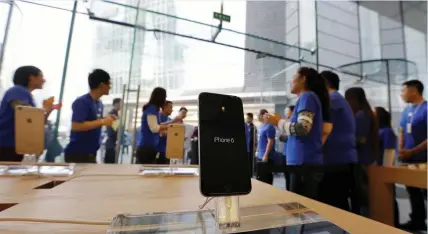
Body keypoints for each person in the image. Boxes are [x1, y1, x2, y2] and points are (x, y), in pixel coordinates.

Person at [267, 67, 330, 200]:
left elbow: (302, 128)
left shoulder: (307, 97)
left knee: (301, 211)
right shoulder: (307, 98)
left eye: (293, 77)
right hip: (303, 163)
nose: (291, 81)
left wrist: (278, 122)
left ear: (303, 79)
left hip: (304, 163)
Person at [0, 66, 61, 161]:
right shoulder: (17, 90)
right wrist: (45, 108)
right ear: (31, 77)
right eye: (41, 76)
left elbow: (35, 122)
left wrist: (49, 110)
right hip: (8, 145)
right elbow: (25, 114)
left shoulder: (25, 94)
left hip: (18, 146)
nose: (44, 80)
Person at [318, 71, 357, 211]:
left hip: (334, 160)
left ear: (325, 83)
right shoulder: (339, 100)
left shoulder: (331, 100)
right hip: (341, 159)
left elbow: (323, 130)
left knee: (332, 204)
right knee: (339, 202)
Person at [64, 69, 115, 163]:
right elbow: (76, 126)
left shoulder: (99, 103)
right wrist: (103, 121)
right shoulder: (82, 102)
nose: (110, 87)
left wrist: (106, 120)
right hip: (77, 154)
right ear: (102, 85)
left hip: (91, 153)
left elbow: (94, 123)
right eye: (109, 84)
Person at [345, 87, 379, 216]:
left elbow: (359, 138)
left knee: (362, 194)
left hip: (361, 159)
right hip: (365, 158)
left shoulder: (360, 116)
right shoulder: (367, 113)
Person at [398, 79, 427, 231]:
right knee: (413, 192)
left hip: (424, 158)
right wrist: (401, 150)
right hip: (408, 159)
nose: (401, 94)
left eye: (403, 91)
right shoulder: (405, 111)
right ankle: (417, 220)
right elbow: (401, 132)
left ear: (413, 91)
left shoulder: (426, 109)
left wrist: (413, 150)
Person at [136, 87, 170, 164]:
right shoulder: (151, 109)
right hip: (146, 148)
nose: (165, 100)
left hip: (151, 147)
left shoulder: (155, 109)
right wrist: (168, 127)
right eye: (165, 97)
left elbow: (158, 126)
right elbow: (154, 128)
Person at [256, 109, 276, 185]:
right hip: (260, 155)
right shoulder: (261, 126)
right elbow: (260, 140)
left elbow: (270, 142)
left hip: (267, 156)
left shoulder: (269, 126)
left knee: (266, 178)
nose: (259, 116)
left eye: (260, 114)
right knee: (261, 178)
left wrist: (265, 155)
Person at [278, 105, 294, 191]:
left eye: (286, 111)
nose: (285, 113)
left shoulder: (292, 124)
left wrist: (284, 136)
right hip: (285, 154)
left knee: (291, 179)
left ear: (292, 111)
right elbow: (281, 137)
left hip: (291, 155)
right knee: (286, 177)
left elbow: (285, 137)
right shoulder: (286, 124)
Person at [104, 98, 121, 164]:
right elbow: (112, 130)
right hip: (111, 142)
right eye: (121, 103)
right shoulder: (112, 114)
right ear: (116, 104)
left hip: (113, 141)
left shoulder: (116, 114)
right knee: (110, 164)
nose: (122, 105)